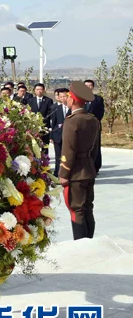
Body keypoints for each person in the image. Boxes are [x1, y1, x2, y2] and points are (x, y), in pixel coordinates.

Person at [58, 81, 100, 240]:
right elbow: (95, 149)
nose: (66, 99)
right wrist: (90, 165)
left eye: (68, 96)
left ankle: (81, 245)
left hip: (75, 173)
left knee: (77, 210)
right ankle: (90, 240)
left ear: (74, 100)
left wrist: (63, 173)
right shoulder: (93, 120)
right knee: (88, 208)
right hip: (88, 169)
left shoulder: (72, 120)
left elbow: (69, 150)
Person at [83, 79, 104, 174]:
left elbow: (100, 113)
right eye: (86, 85)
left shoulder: (98, 99)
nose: (88, 87)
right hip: (81, 127)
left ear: (92, 87)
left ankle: (96, 167)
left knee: (95, 147)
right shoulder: (79, 99)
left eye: (90, 85)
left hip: (94, 126)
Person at [50, 88, 69, 176]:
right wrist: (51, 136)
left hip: (69, 136)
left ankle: (67, 173)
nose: (62, 98)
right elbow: (53, 124)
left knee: (68, 156)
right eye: (60, 97)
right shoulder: (56, 108)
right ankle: (57, 172)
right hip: (58, 136)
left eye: (64, 96)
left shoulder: (72, 108)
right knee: (58, 156)